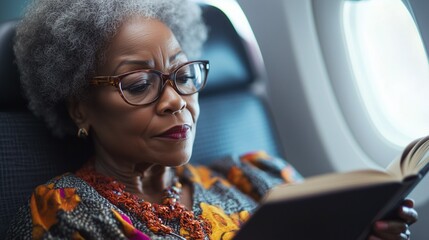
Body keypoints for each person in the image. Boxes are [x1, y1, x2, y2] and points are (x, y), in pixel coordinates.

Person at [6, 0, 417, 239]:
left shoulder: (255, 174)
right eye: (138, 84)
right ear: (81, 108)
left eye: (184, 76)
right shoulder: (62, 212)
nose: (175, 101)